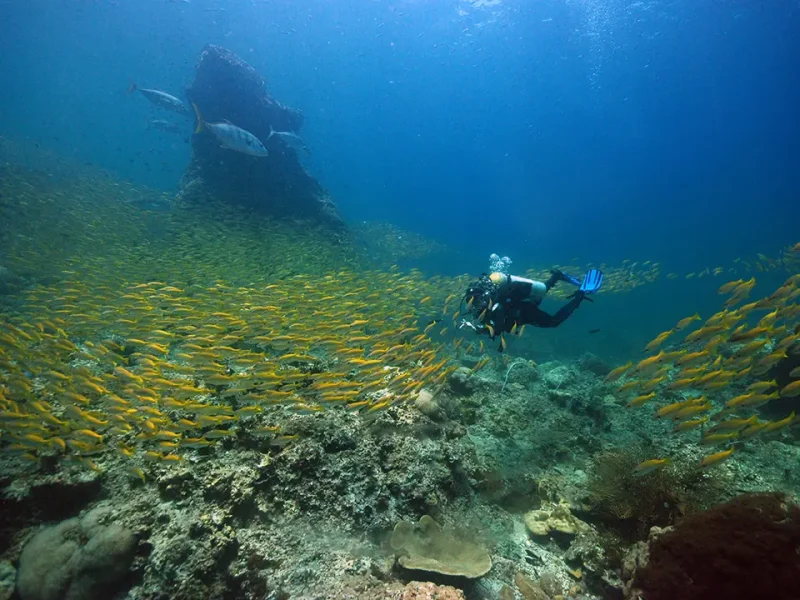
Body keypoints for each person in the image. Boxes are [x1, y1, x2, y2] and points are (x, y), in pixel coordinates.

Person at [459, 263, 604, 352]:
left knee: (553, 322)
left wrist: (476, 329)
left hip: (525, 312)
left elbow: (496, 330)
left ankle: (579, 296)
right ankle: (557, 276)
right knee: (540, 293)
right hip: (521, 303)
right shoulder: (489, 306)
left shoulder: (495, 308)